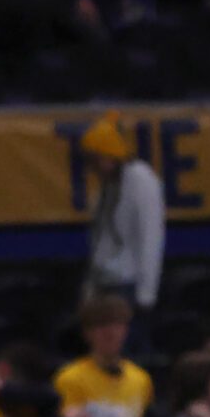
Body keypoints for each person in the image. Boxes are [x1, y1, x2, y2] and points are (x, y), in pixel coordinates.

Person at [78, 114, 163, 349]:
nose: (94, 167)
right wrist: (90, 288)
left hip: (128, 285)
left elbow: (151, 237)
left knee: (128, 354)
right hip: (104, 282)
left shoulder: (141, 180)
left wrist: (146, 294)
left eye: (97, 160)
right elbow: (100, 239)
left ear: (110, 155)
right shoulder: (107, 187)